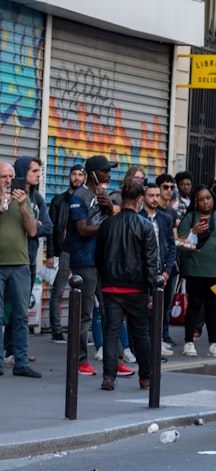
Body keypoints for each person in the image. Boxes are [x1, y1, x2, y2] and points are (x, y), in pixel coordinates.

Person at [93, 179, 158, 391]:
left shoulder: (107, 224)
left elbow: (98, 256)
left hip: (111, 286)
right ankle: (145, 377)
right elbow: (151, 262)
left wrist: (105, 278)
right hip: (137, 287)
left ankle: (109, 378)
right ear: (140, 200)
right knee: (141, 333)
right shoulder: (145, 225)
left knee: (111, 333)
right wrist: (150, 291)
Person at [67, 155, 117, 376]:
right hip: (85, 262)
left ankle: (111, 358)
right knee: (85, 314)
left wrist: (109, 208)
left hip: (102, 261)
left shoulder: (101, 194)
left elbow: (107, 219)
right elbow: (83, 229)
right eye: (105, 171)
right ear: (94, 173)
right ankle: (79, 360)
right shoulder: (79, 196)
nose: (109, 174)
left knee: (109, 312)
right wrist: (107, 222)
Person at [4, 156, 53, 364]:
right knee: (3, 311)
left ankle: (16, 354)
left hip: (26, 259)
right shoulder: (6, 197)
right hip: (5, 260)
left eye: (39, 170)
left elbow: (44, 227)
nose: (38, 174)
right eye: (33, 171)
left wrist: (31, 223)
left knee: (20, 311)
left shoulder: (34, 198)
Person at [176, 185, 216, 358]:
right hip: (195, 270)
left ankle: (213, 343)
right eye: (201, 199)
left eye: (208, 198)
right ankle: (189, 342)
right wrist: (193, 231)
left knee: (212, 307)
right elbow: (179, 241)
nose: (205, 202)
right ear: (196, 201)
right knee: (194, 305)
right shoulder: (190, 218)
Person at [0, 161, 40, 377]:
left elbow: (33, 232)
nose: (8, 181)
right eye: (4, 177)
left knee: (21, 316)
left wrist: (23, 207)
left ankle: (21, 362)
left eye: (11, 177)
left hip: (20, 265)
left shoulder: (23, 200)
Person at [46, 163, 86, 343]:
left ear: (84, 178)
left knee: (84, 293)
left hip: (82, 251)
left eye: (80, 175)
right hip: (64, 251)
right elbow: (52, 229)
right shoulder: (58, 200)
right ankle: (56, 331)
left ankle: (79, 332)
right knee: (59, 292)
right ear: (69, 176)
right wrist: (50, 254)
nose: (77, 178)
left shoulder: (87, 199)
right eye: (74, 174)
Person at [139, 180, 177, 354]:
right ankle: (141, 346)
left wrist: (167, 272)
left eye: (156, 196)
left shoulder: (165, 219)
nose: (154, 199)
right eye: (151, 196)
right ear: (143, 197)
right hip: (142, 272)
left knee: (160, 309)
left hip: (162, 272)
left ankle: (157, 342)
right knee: (143, 311)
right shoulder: (138, 218)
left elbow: (171, 247)